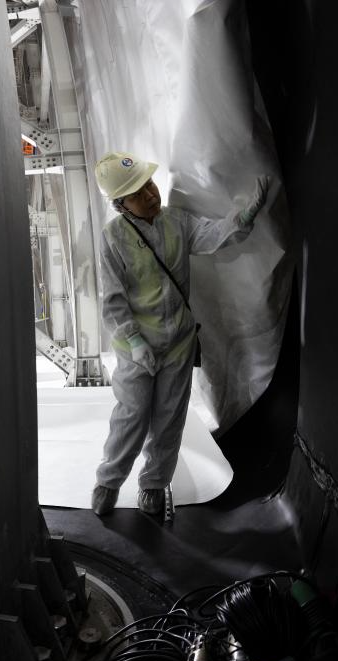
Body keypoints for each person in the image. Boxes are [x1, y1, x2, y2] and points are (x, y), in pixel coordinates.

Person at [91, 152, 270, 516]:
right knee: (132, 417)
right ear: (121, 205)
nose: (151, 195)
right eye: (138, 193)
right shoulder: (113, 239)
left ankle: (154, 485)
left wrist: (243, 217)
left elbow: (210, 235)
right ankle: (109, 482)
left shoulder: (175, 221)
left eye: (149, 185)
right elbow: (112, 299)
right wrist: (135, 341)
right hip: (136, 349)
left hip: (178, 344)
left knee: (170, 418)